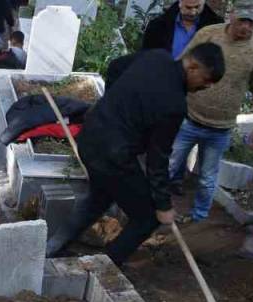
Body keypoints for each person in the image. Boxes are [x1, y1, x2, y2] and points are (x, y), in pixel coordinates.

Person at [46, 44, 226, 262]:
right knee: (147, 218)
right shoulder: (175, 105)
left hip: (90, 136)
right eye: (205, 80)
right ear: (193, 67)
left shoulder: (156, 56)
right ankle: (108, 264)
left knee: (99, 198)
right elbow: (157, 159)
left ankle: (53, 247)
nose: (205, 87)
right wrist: (163, 205)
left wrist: (109, 105)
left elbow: (115, 67)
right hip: (113, 157)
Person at [166, 0, 253, 223]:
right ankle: (155, 208)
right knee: (169, 165)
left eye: (252, 23)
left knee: (207, 178)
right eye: (243, 20)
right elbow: (181, 66)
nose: (247, 27)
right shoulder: (208, 35)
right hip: (189, 117)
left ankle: (198, 219)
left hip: (220, 128)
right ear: (232, 14)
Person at [139, 0, 222, 59]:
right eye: (188, 8)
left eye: (197, 7)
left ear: (203, 2)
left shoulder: (217, 25)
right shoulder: (157, 26)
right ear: (180, 3)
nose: (193, 12)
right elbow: (146, 58)